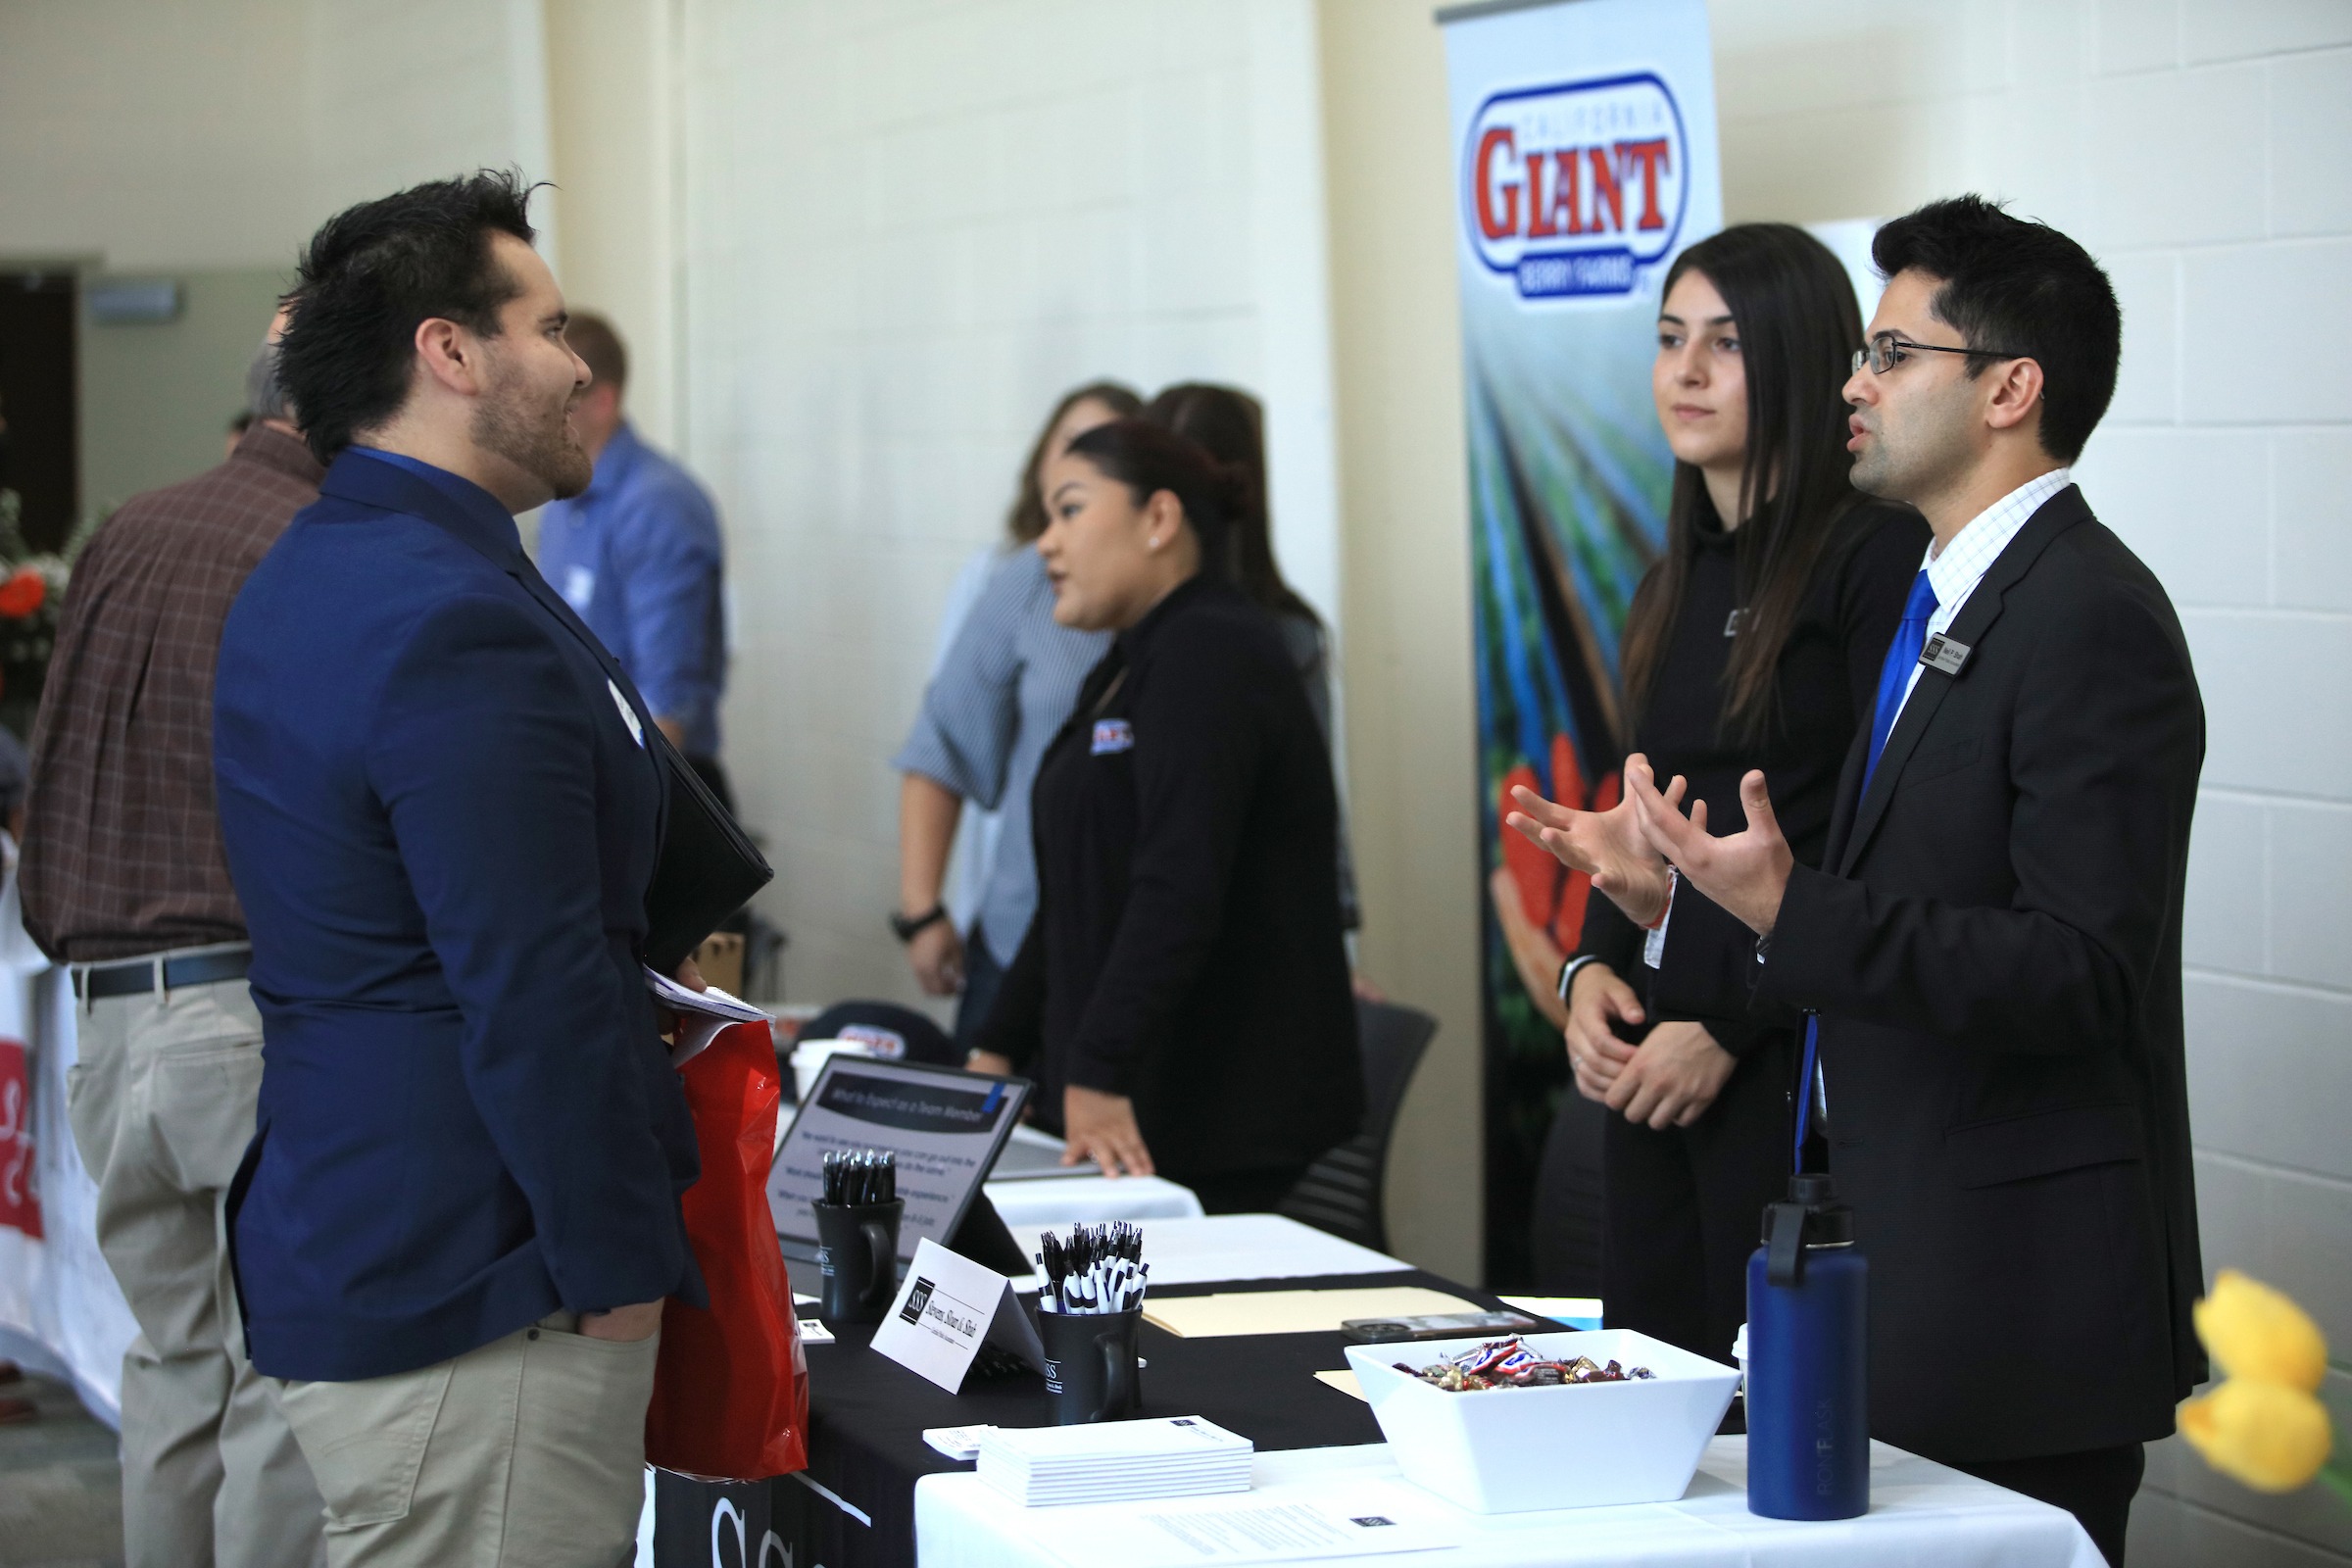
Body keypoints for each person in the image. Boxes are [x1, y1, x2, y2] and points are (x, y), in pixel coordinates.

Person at [1618, 197, 2203, 1566]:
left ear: (2009, 389)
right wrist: (1675, 909)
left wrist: (1791, 907)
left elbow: (2081, 970)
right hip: (1896, 1279)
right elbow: (1897, 916)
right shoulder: (1949, 600)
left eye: (1891, 354)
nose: (1853, 385)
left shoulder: (2087, 614)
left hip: (2015, 1307)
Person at [213, 171, 704, 1566]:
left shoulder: (331, 562)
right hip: (483, 1274)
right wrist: (614, 1263)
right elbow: (529, 977)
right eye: (547, 328)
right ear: (450, 352)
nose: (579, 365)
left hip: (378, 1227)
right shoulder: (448, 614)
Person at [1505, 226, 1927, 1373]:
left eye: (1726, 344)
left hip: (1783, 1055)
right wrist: (1590, 973)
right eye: (1669, 338)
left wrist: (1733, 1027)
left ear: (1801, 359)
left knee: (1771, 1408)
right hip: (1659, 1047)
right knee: (1655, 1383)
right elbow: (1645, 812)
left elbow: (1869, 835)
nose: (1684, 371)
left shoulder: (1875, 557)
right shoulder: (1672, 578)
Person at [21, 327, 327, 1568]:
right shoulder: (312, 544)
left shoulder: (131, 528)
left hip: (106, 1025)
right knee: (281, 1379)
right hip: (235, 1016)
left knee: (174, 1367)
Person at [967, 418, 1360, 1212]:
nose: (1046, 543)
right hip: (1126, 1101)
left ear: (1158, 519)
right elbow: (1074, 896)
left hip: (1207, 1115)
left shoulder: (1212, 650)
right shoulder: (1124, 666)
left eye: (1070, 510)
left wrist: (1099, 1067)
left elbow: (1178, 884)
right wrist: (996, 1046)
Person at [893, 382, 1140, 1048]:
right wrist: (922, 910)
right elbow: (944, 739)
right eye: (1072, 444)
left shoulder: (1178, 614)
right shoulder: (1023, 577)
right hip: (1019, 929)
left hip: (1132, 945)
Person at [1142, 383, 1364, 939]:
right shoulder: (1103, 621)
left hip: (1239, 935)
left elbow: (1312, 813)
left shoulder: (1287, 637)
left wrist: (1333, 931)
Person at [535, 311, 733, 808]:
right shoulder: (564, 499)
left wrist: (622, 816)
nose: (540, 414)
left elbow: (666, 703)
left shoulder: (656, 505)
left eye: (560, 399)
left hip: (653, 784)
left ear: (602, 402)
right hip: (585, 774)